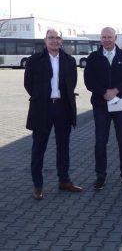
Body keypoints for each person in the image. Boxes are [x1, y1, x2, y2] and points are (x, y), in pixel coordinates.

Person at [24, 29, 82, 200]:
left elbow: (72, 84)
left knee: (63, 147)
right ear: (45, 40)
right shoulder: (35, 60)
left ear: (61, 41)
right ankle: (38, 186)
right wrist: (40, 97)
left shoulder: (69, 61)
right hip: (42, 108)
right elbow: (28, 84)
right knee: (38, 148)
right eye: (51, 38)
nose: (54, 41)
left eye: (57, 38)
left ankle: (64, 181)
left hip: (63, 108)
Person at [84, 27, 122, 190]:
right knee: (101, 141)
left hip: (120, 103)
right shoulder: (93, 57)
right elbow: (88, 81)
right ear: (100, 39)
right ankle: (100, 176)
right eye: (104, 37)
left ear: (116, 38)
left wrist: (116, 90)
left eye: (110, 37)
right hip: (101, 105)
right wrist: (103, 92)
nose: (107, 40)